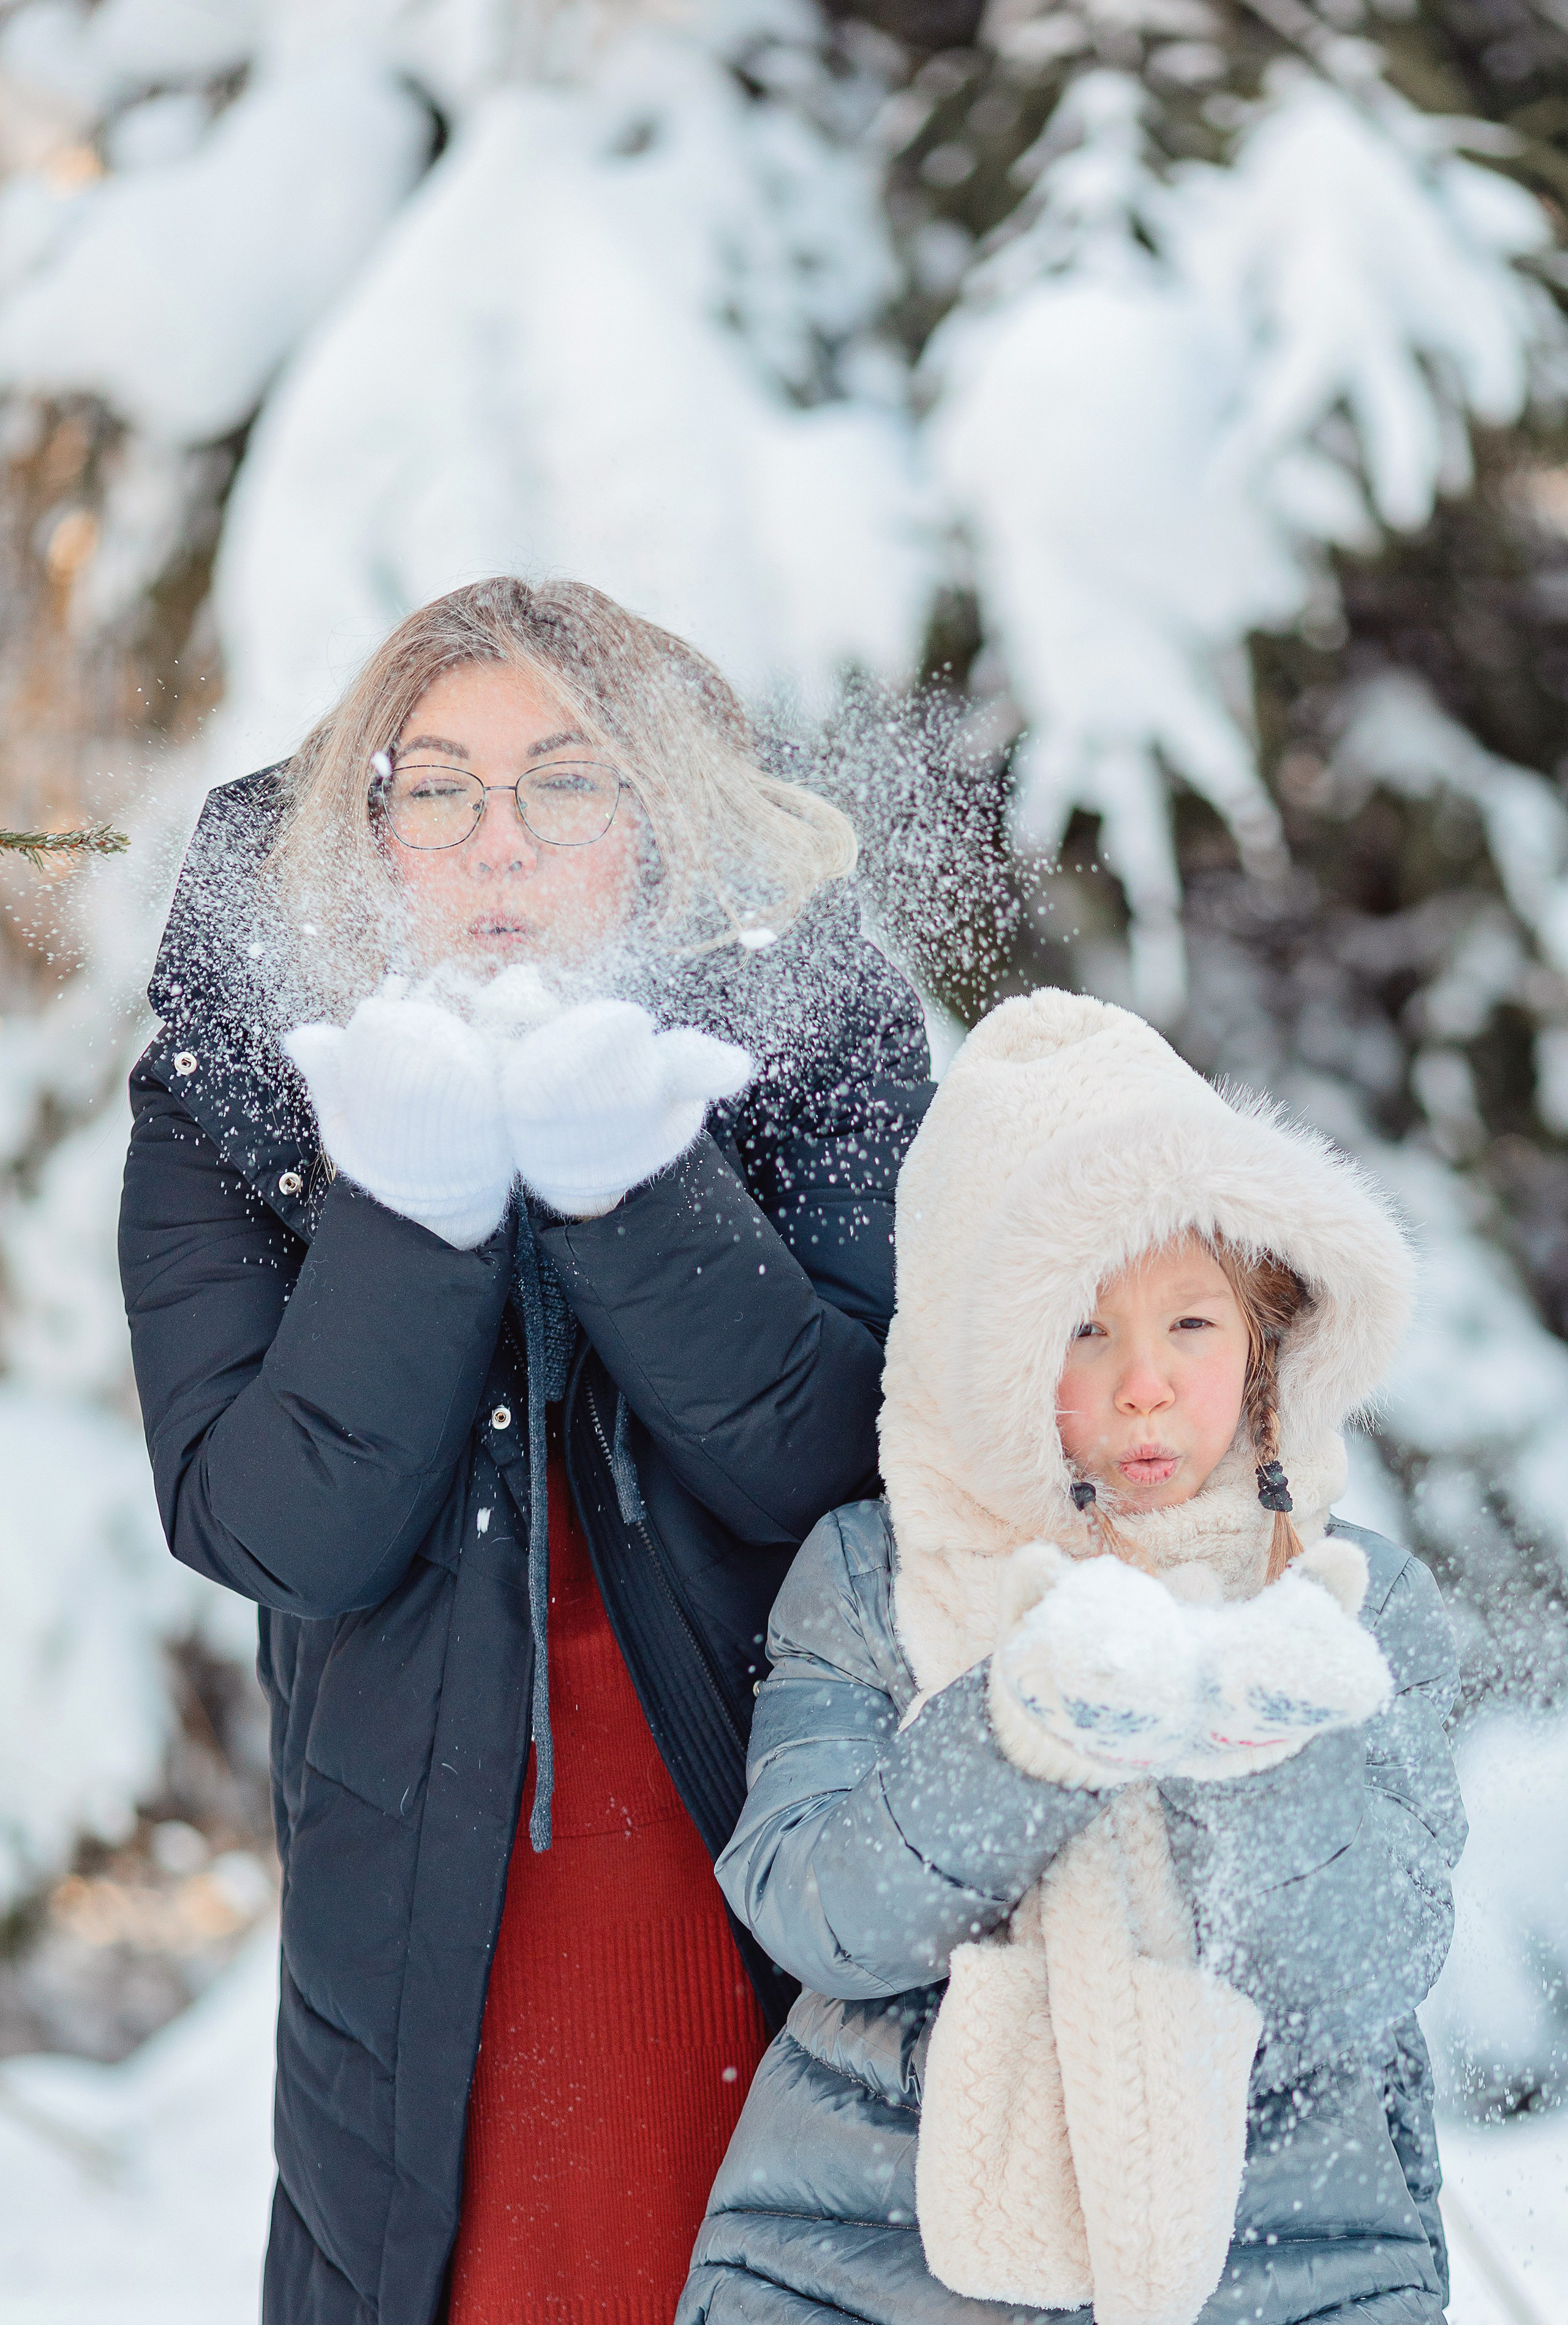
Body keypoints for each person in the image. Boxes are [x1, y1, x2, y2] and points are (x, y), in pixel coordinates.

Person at [117, 576, 932, 2325]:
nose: (501, 841)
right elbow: (267, 1521)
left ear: (651, 820)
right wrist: (410, 1210)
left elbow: (861, 1470)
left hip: (759, 1867)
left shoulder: (812, 1047)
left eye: (566, 782)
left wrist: (633, 1182)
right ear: (374, 832)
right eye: (440, 786)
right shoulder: (240, 1088)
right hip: (424, 1915)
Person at [682, 988, 1465, 2325]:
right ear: (977, 1353)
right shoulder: (878, 1575)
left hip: (1282, 2264)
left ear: (1266, 1339)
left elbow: (1366, 1966)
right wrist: (1018, 1730)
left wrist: (1253, 1745)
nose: (1143, 1382)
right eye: (1081, 1327)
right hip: (871, 2262)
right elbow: (813, 1908)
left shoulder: (1348, 1600)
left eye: (1189, 1322)